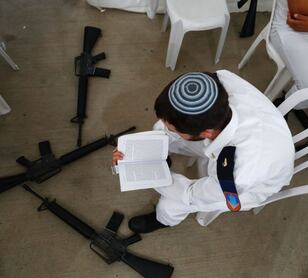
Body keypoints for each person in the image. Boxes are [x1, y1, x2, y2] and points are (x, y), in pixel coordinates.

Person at [112, 71, 295, 233]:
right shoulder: (220, 82)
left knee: (172, 204)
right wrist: (136, 155)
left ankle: (164, 220)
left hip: (251, 186)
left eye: (175, 129)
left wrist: (152, 176)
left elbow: (191, 194)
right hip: (250, 139)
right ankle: (160, 156)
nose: (170, 130)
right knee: (160, 130)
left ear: (205, 133)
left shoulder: (240, 172)